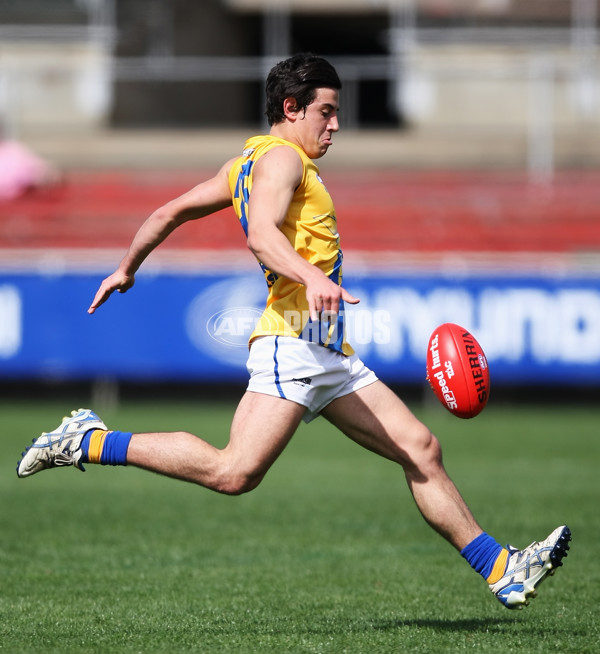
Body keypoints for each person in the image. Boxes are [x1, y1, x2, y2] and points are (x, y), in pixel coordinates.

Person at [16, 53, 571, 610]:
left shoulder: (245, 163)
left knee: (421, 448)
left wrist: (127, 267)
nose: (335, 125)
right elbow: (260, 235)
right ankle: (87, 439)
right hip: (293, 341)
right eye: (325, 112)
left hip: (326, 349)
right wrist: (310, 276)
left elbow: (168, 212)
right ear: (291, 107)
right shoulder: (282, 159)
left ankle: (503, 569)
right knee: (233, 471)